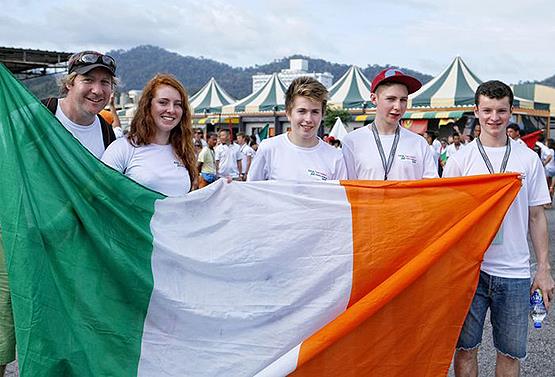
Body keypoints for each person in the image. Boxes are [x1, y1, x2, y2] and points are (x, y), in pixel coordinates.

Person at [443, 80, 554, 377]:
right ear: (476, 111)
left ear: (510, 112)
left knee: (510, 352)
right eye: (488, 110)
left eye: (501, 110)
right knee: (465, 348)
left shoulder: (527, 159)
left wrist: (543, 268)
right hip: (469, 269)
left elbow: (536, 217)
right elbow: (446, 217)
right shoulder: (459, 160)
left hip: (515, 271)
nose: (494, 117)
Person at [101, 74, 197, 197]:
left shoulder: (185, 151)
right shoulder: (123, 148)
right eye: (163, 102)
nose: (171, 110)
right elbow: (101, 196)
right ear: (148, 105)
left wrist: (223, 189)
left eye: (178, 104)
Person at [341, 68, 437, 180]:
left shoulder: (419, 143)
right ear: (374, 99)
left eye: (403, 100)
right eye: (391, 99)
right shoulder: (352, 141)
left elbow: (431, 189)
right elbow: (346, 188)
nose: (398, 107)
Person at [248, 76, 346, 182]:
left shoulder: (336, 157)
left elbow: (339, 197)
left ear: (322, 115)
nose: (308, 119)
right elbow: (250, 193)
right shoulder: (268, 149)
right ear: (288, 113)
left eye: (315, 112)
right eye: (302, 111)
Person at [42, 50, 118, 158]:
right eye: (88, 80)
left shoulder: (107, 134)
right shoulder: (39, 113)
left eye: (105, 82)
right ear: (69, 83)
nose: (97, 91)